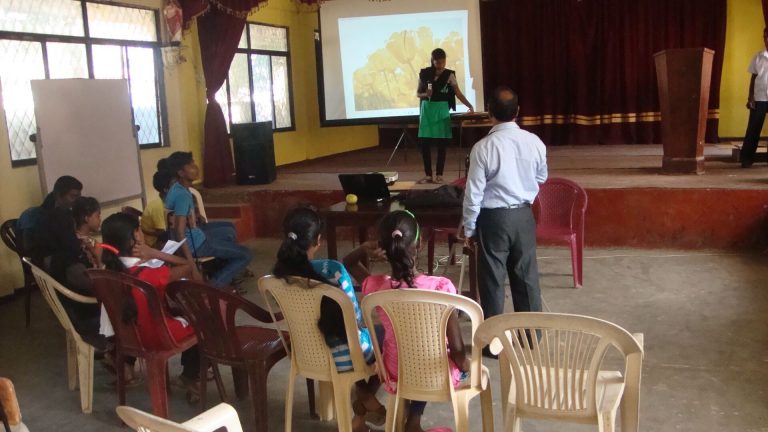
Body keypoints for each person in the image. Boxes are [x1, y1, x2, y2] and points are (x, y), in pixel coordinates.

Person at [272, 206, 386, 432]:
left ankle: (362, 408)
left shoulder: (277, 275)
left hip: (304, 354)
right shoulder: (333, 271)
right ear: (318, 240)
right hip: (345, 358)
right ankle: (364, 397)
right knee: (387, 337)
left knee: (352, 336)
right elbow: (353, 322)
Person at [355, 210, 469, 432]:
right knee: (432, 351)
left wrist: (362, 248)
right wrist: (466, 364)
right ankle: (414, 420)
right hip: (434, 374)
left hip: (393, 372)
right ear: (419, 245)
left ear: (383, 247)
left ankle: (407, 418)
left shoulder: (376, 286)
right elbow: (456, 350)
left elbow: (349, 264)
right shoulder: (440, 287)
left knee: (400, 345)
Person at [462, 86, 548, 330]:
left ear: (489, 113)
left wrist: (469, 228)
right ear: (517, 112)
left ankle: (494, 341)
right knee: (527, 278)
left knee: (492, 281)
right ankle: (532, 337)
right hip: (523, 216)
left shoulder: (483, 147)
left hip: (493, 219)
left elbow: (474, 192)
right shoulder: (535, 143)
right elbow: (542, 177)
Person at [100, 212, 202, 396]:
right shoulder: (148, 274)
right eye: (138, 229)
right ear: (134, 239)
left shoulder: (107, 271)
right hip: (158, 337)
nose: (141, 232)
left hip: (127, 338)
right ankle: (189, 375)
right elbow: (187, 265)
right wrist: (155, 253)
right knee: (204, 321)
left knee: (177, 313)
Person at [162, 152, 251, 290]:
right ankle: (214, 286)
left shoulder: (176, 187)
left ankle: (219, 267)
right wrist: (191, 266)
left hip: (195, 235)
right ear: (181, 172)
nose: (195, 167)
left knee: (229, 229)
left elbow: (179, 219)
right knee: (246, 254)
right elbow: (180, 232)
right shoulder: (182, 195)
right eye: (190, 165)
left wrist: (193, 216)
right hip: (196, 245)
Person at [416, 48, 474, 184]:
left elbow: (458, 93)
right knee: (425, 144)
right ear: (432, 61)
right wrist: (426, 94)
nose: (440, 65)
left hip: (442, 110)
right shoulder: (424, 74)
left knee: (442, 144)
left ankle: (439, 174)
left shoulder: (449, 75)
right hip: (427, 111)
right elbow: (418, 93)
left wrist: (469, 105)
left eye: (442, 62)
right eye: (437, 63)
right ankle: (428, 175)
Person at [740, 28, 768, 168]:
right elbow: (753, 77)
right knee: (753, 129)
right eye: (764, 37)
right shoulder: (758, 57)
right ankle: (746, 159)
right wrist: (750, 97)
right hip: (760, 98)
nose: (766, 40)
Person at [140, 169, 174, 248]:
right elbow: (162, 233)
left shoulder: (167, 202)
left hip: (161, 237)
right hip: (154, 243)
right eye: (175, 185)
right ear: (166, 189)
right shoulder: (158, 206)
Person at [72, 197, 103, 270]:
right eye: (97, 216)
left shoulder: (74, 237)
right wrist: (98, 257)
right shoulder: (86, 243)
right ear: (86, 218)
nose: (100, 219)